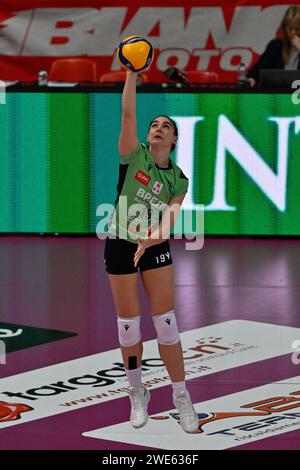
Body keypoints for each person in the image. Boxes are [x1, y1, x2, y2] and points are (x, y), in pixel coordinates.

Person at [103, 70, 199, 433]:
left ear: (173, 140)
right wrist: (131, 72)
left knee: (166, 324)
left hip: (153, 246)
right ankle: (136, 392)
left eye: (166, 126)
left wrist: (151, 239)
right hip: (120, 243)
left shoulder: (178, 179)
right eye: (154, 124)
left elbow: (170, 219)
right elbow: (128, 114)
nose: (158, 128)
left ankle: (181, 395)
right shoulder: (133, 155)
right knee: (128, 328)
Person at [247, 5, 300, 86]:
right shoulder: (275, 45)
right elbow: (257, 70)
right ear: (284, 28)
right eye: (290, 28)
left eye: (297, 29)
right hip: (278, 94)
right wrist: (252, 79)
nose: (293, 33)